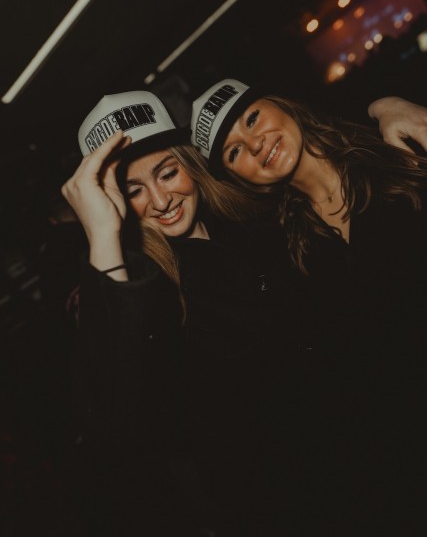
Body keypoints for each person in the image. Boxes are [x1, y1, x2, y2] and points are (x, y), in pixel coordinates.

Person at [62, 90, 315, 537]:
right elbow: (117, 427)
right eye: (133, 191)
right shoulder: (142, 290)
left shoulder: (249, 213)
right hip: (276, 498)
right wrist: (102, 236)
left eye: (167, 173)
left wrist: (386, 108)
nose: (161, 201)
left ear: (190, 163)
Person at [191, 79, 427, 532]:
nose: (255, 144)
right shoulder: (286, 248)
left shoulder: (392, 148)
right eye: (234, 152)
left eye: (252, 118)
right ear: (236, 177)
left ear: (281, 103)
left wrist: (385, 102)